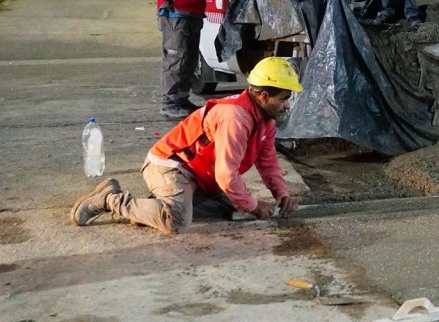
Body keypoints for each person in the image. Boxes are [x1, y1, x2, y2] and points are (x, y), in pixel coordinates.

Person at [70, 57, 305, 234]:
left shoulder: (265, 119)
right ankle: (111, 199)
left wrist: (281, 194)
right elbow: (226, 175)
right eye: (283, 99)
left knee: (234, 210)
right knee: (177, 222)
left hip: (198, 176)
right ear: (263, 96)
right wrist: (254, 206)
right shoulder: (236, 117)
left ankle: (152, 208)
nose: (287, 106)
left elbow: (267, 160)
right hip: (170, 167)